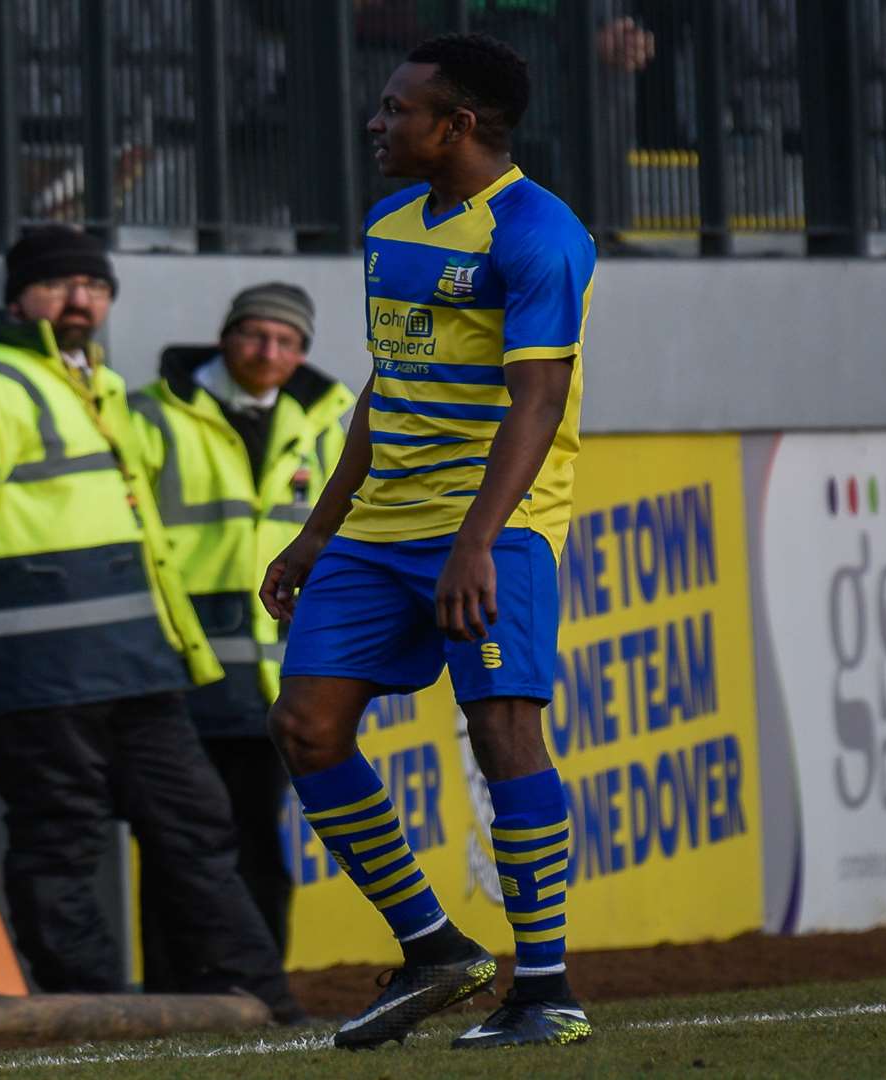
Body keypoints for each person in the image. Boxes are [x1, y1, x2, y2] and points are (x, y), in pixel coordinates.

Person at [260, 35, 597, 1050]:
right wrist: (320, 529)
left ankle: (545, 988)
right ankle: (435, 946)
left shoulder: (540, 234)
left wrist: (477, 545)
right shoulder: (388, 222)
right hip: (380, 528)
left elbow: (537, 402)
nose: (377, 122)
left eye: (397, 109)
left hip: (497, 529)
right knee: (307, 730)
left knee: (503, 735)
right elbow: (387, 381)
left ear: (458, 125)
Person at [0, 226, 300, 1021]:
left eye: (95, 286)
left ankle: (262, 1004)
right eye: (60, 285)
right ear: (19, 296)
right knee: (64, 837)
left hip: (134, 661)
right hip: (35, 667)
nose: (81, 300)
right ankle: (95, 1016)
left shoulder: (93, 382)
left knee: (198, 831)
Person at [126, 283, 356, 984]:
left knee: (258, 835)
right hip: (179, 666)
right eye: (256, 335)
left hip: (277, 674)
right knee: (177, 837)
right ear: (226, 337)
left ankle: (256, 983)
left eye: (288, 342)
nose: (269, 353)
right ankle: (173, 986)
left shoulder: (332, 417)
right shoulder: (154, 412)